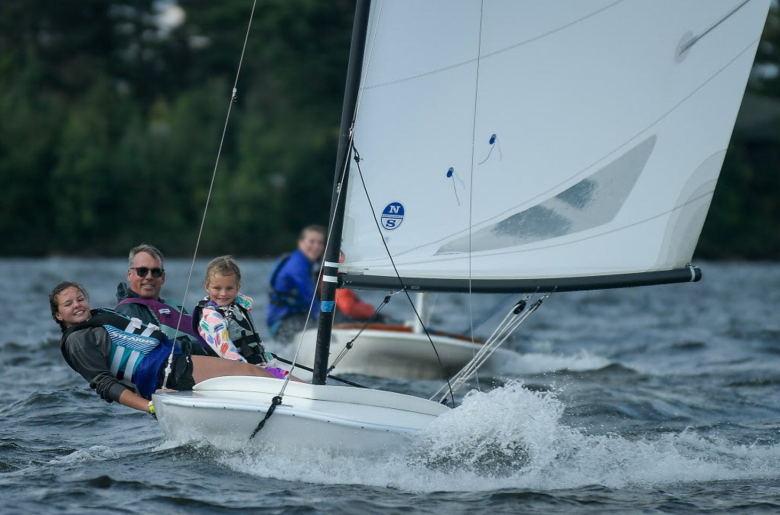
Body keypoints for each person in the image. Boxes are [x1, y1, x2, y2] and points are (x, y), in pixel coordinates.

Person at [50, 281, 287, 415]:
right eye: (68, 304)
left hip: (174, 359)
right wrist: (150, 406)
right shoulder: (77, 342)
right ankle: (298, 403)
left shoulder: (98, 317)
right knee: (251, 373)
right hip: (168, 371)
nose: (77, 305)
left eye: (80, 298)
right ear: (59, 315)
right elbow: (105, 384)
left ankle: (293, 392)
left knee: (254, 365)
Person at [193, 256, 289, 379]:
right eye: (217, 288)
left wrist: (270, 363)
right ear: (207, 287)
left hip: (257, 368)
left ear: (238, 288)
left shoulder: (239, 307)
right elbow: (228, 354)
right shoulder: (212, 318)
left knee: (295, 380)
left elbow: (255, 342)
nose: (223, 293)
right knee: (294, 385)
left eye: (229, 288)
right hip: (238, 374)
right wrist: (254, 372)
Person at [115, 244, 207, 355]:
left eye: (156, 272)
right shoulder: (128, 311)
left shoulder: (173, 306)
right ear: (129, 275)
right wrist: (200, 348)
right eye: (142, 271)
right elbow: (151, 351)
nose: (149, 277)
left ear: (162, 277)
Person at [266, 225, 325, 340]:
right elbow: (310, 299)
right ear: (301, 243)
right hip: (282, 323)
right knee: (325, 326)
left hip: (294, 318)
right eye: (312, 241)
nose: (316, 246)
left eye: (320, 243)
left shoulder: (307, 263)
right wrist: (325, 323)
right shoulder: (298, 265)